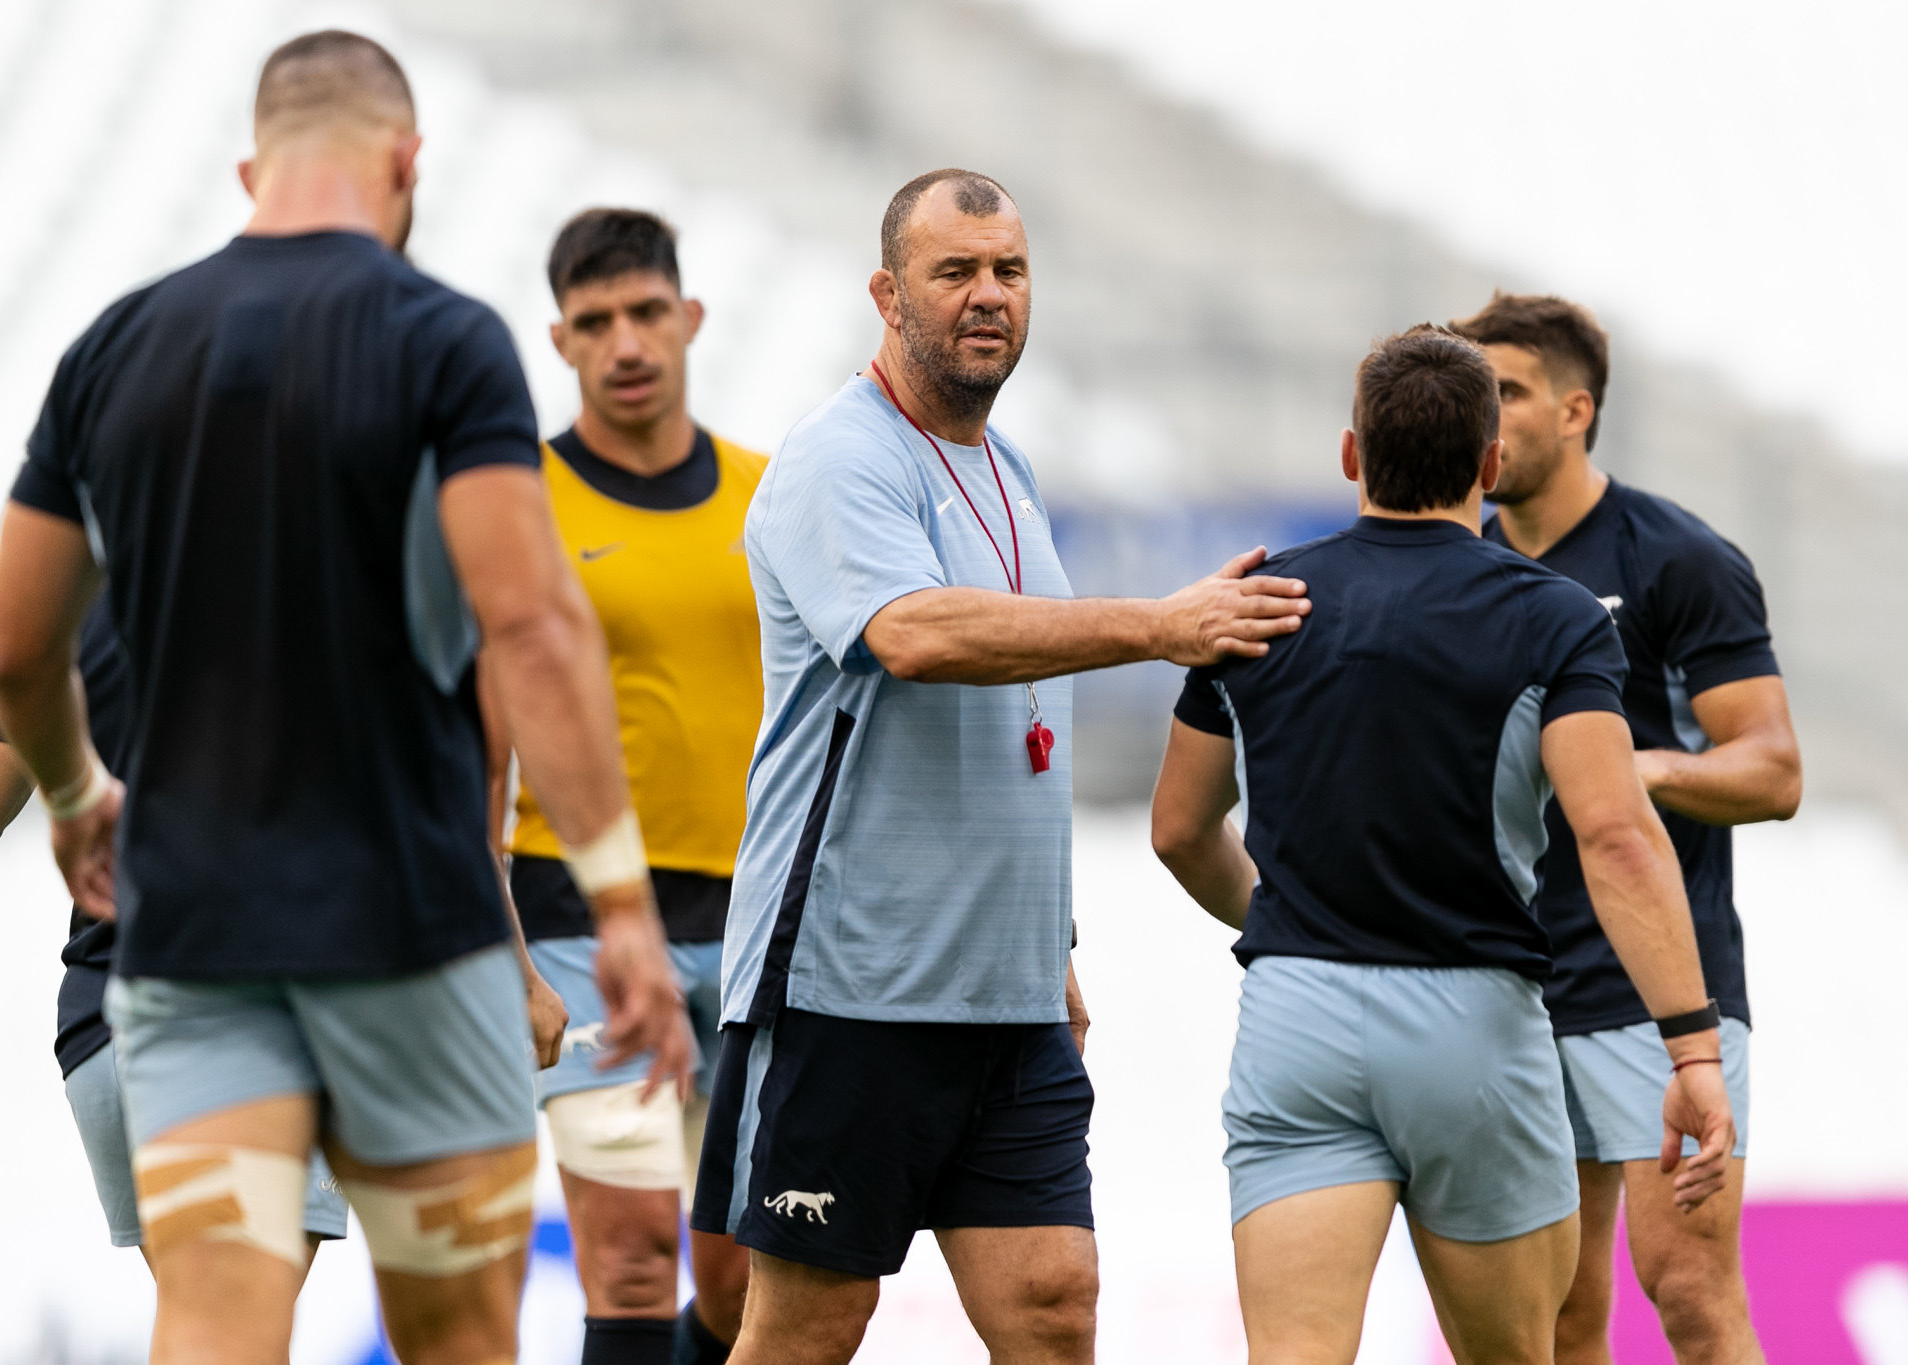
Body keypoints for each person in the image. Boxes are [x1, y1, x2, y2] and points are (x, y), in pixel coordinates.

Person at [0, 31, 684, 1363]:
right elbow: (532, 626)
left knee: (219, 1321)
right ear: (407, 161)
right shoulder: (443, 339)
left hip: (192, 952)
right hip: (411, 940)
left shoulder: (113, 348)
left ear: (253, 168)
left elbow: (14, 646)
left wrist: (75, 794)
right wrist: (623, 905)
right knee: (454, 1335)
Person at [688, 167, 1313, 1365]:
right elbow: (916, 636)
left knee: (1051, 1300)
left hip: (1006, 994)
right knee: (806, 1330)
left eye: (1009, 272)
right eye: (955, 272)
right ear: (886, 292)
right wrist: (1158, 624)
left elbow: (1017, 726)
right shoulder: (836, 459)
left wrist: (1052, 948)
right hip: (848, 988)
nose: (988, 296)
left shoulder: (1008, 469)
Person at [1150, 325, 1736, 1365]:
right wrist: (1689, 1047)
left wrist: (1279, 920)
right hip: (1472, 1026)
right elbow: (1613, 838)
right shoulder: (1553, 618)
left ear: (1349, 456)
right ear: (1488, 465)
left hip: (1297, 1020)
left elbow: (1179, 829)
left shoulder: (1257, 600)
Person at [1454, 293, 1799, 1365]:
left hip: (1650, 986)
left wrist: (1622, 770)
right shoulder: (1449, 560)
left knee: (1689, 1291)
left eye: (1505, 393)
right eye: (1471, 397)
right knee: (1551, 1313)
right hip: (1501, 982)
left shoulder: (1674, 557)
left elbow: (1772, 767)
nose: (1484, 420)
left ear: (1574, 409)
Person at [0, 595, 349, 1305]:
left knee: (208, 1324)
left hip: (107, 1037)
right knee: (232, 1328)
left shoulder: (69, 618)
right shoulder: (310, 573)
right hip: (260, 1023)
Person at [483, 208, 761, 1365]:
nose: (626, 343)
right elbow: (473, 744)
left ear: (689, 317)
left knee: (750, 1283)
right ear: (559, 342)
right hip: (578, 932)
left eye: (646, 312)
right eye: (594, 323)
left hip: (758, 934)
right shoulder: (516, 508)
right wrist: (508, 955)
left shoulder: (770, 496)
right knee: (635, 1250)